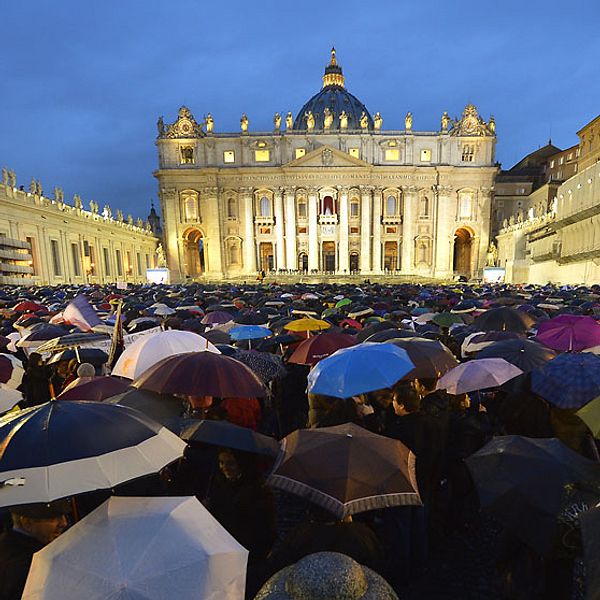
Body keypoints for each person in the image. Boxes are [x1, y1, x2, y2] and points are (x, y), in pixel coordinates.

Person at [206, 448, 276, 564]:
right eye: (221, 462)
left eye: (231, 463)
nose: (224, 468)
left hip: (246, 553)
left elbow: (261, 528)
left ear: (242, 463)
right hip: (223, 548)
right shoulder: (219, 484)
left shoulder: (258, 490)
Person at [0, 500, 70, 599]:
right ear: (27, 523)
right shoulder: (31, 566)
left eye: (64, 516)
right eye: (53, 518)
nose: (64, 523)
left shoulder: (6, 544)